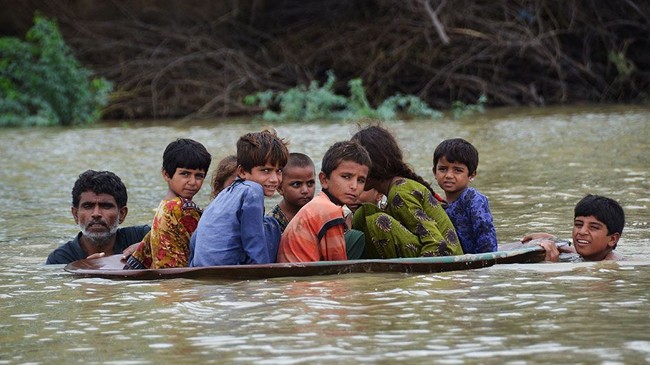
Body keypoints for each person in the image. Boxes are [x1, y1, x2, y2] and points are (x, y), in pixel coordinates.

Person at [351, 124, 463, 258]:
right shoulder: (395, 190)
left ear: (374, 164)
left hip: (445, 258)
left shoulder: (400, 193)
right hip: (429, 252)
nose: (353, 175)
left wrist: (413, 279)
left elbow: (436, 245)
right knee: (362, 214)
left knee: (379, 221)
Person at [190, 129, 289, 266]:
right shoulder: (253, 190)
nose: (274, 179)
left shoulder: (222, 196)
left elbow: (196, 238)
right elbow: (254, 242)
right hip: (229, 270)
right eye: (265, 171)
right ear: (242, 171)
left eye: (279, 171)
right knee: (271, 225)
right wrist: (264, 279)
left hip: (201, 267)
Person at [277, 140, 371, 262]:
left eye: (361, 180)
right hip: (303, 279)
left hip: (294, 275)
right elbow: (338, 267)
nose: (354, 186)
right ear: (324, 180)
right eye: (346, 177)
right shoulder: (329, 211)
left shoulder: (319, 203)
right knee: (358, 238)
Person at [124, 138, 211, 269]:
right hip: (180, 281)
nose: (193, 182)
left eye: (199, 176)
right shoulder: (180, 208)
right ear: (166, 174)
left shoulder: (164, 207)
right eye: (185, 174)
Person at [46, 170, 150, 264]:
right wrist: (84, 273)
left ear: (122, 214)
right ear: (75, 214)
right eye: (88, 206)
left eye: (106, 206)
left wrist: (151, 250)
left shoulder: (143, 237)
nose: (96, 214)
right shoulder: (60, 260)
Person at [433, 138, 497, 253]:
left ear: (471, 175)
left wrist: (482, 265)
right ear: (434, 172)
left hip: (477, 262)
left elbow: (487, 238)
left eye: (457, 170)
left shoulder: (473, 199)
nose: (448, 175)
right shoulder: (438, 205)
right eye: (443, 169)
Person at [522, 194, 625, 262]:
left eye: (593, 227)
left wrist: (551, 267)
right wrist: (552, 240)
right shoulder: (592, 255)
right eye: (578, 224)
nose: (582, 231)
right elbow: (574, 251)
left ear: (612, 239)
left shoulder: (609, 268)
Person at [268, 152, 317, 232]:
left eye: (310, 183)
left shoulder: (319, 214)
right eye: (297, 184)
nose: (305, 190)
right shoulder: (272, 223)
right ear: (280, 188)